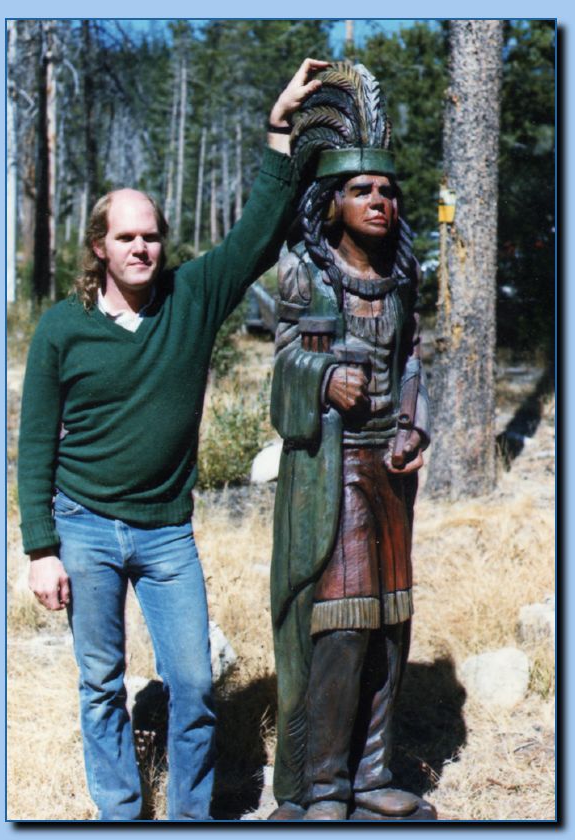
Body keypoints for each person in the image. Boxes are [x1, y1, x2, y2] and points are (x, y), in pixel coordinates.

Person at [17, 58, 329, 822]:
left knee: (191, 681)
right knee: (99, 682)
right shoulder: (62, 328)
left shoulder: (191, 297)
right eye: (125, 237)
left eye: (152, 236)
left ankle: (188, 820)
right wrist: (40, 547)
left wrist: (277, 130)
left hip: (165, 534)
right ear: (99, 246)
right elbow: (33, 445)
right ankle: (122, 814)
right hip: (84, 525)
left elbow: (257, 233)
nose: (142, 250)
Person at [268, 62, 434, 821]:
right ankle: (322, 784)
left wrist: (412, 421)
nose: (380, 200)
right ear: (331, 202)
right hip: (330, 475)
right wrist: (320, 376)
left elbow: (412, 365)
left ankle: (371, 775)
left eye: (388, 190)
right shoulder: (307, 275)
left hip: (388, 473)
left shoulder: (400, 283)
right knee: (339, 629)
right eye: (363, 189)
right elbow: (280, 372)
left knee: (391, 626)